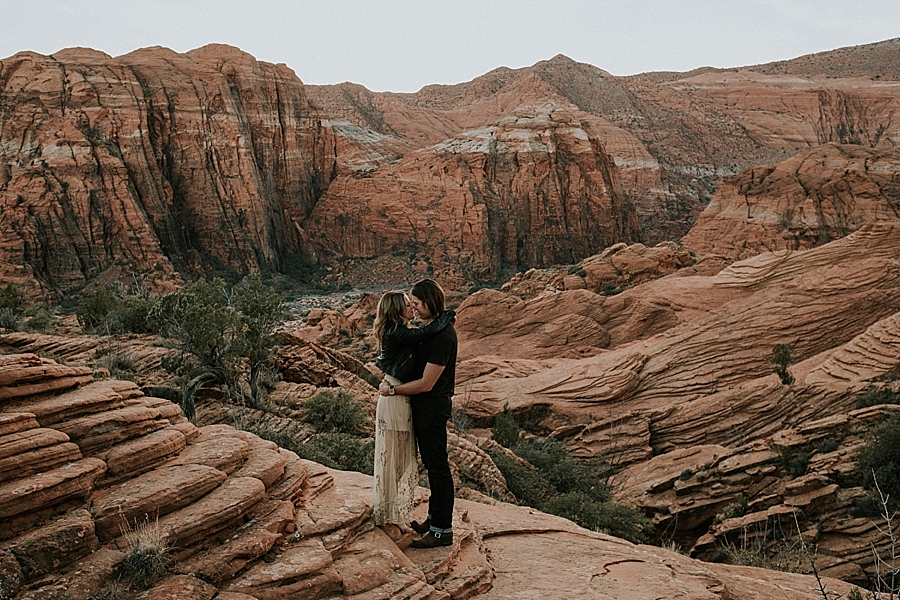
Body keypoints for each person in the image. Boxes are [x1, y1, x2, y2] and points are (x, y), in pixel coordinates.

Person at [379, 278, 457, 549]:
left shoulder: (443, 337)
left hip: (433, 408)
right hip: (424, 408)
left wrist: (392, 391)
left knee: (438, 469)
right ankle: (434, 520)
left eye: (417, 304)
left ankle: (441, 531)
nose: (413, 308)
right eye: (410, 304)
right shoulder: (433, 331)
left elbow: (426, 383)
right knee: (434, 467)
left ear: (429, 303)